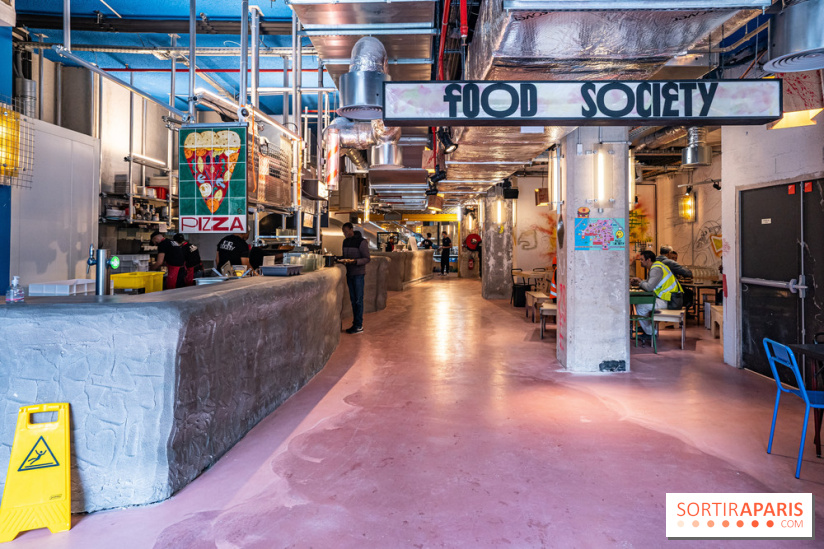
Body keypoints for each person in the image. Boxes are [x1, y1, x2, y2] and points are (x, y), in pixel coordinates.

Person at [630, 250, 683, 340]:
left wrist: (640, 282)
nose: (641, 261)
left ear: (648, 260)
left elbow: (650, 287)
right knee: (642, 304)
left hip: (669, 301)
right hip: (669, 299)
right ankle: (647, 328)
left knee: (641, 306)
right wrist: (640, 281)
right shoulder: (657, 267)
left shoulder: (656, 269)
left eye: (642, 259)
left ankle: (650, 333)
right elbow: (650, 284)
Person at [340, 223, 371, 334]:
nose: (345, 233)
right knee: (353, 300)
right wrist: (340, 259)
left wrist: (355, 261)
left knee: (358, 300)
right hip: (349, 273)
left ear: (351, 229)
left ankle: (359, 325)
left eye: (346, 231)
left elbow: (367, 258)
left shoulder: (361, 242)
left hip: (358, 274)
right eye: (343, 231)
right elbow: (345, 256)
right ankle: (356, 324)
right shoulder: (345, 242)